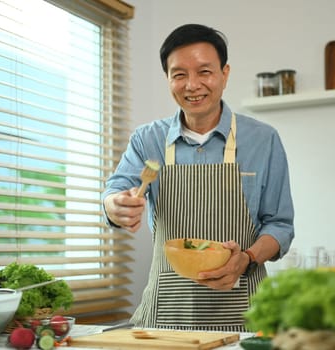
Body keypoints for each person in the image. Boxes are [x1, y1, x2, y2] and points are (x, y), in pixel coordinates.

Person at [102, 23, 294, 332]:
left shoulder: (264, 140)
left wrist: (245, 258)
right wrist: (114, 205)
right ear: (168, 79)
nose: (192, 85)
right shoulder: (147, 140)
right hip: (166, 318)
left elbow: (280, 225)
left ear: (224, 74)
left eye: (204, 72)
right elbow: (115, 191)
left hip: (245, 313)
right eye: (179, 74)